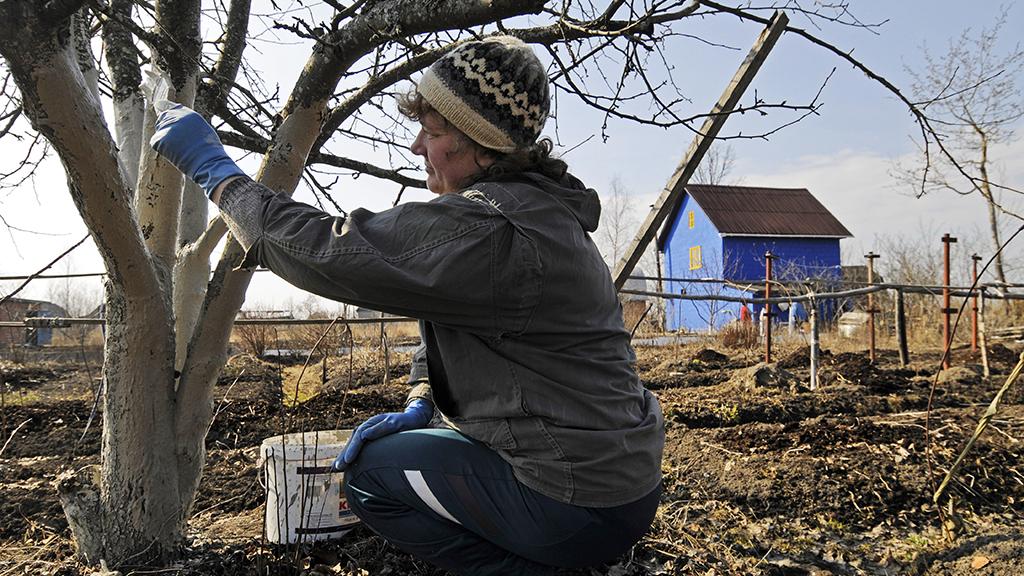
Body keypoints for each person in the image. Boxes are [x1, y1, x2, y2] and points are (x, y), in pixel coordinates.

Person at [151, 35, 664, 575]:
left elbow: (328, 252)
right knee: (415, 454)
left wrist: (217, 173)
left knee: (371, 477)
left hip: (575, 499)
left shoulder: (492, 231)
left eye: (433, 133)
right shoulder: (538, 215)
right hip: (616, 482)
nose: (418, 145)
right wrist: (422, 396)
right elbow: (449, 316)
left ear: (483, 146)